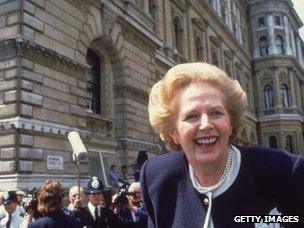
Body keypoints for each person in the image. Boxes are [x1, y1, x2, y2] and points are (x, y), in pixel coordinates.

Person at [140, 62, 304, 227]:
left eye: (216, 113)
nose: (206, 124)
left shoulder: (284, 171)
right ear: (173, 132)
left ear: (231, 123)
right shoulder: (157, 177)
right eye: (191, 116)